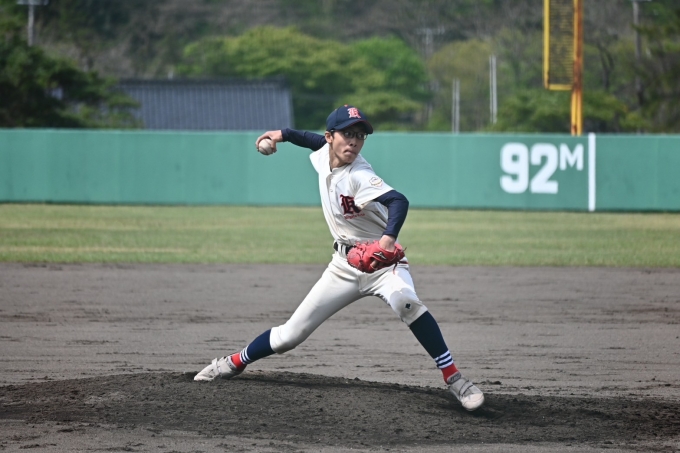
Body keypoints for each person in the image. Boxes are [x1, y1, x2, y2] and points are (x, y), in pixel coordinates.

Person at [194, 105, 484, 411]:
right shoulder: (324, 153)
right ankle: (232, 362)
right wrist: (282, 134)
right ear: (330, 137)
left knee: (406, 303)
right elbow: (310, 140)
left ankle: (455, 379)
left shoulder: (359, 174)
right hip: (343, 266)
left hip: (382, 264)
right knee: (289, 336)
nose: (354, 141)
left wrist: (387, 241)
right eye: (348, 134)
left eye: (360, 135)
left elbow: (399, 200)